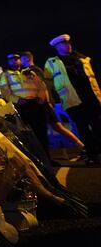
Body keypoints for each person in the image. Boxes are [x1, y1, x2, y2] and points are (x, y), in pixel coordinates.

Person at [43, 34, 101, 165]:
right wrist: (52, 100)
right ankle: (93, 155)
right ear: (57, 47)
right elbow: (48, 83)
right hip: (71, 101)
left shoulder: (83, 59)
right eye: (63, 44)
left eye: (68, 44)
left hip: (91, 98)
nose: (67, 46)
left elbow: (92, 78)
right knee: (83, 128)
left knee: (98, 126)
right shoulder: (52, 63)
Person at [20, 50, 85, 156]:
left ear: (27, 59)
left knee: (55, 127)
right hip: (44, 103)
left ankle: (81, 146)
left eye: (22, 59)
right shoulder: (35, 70)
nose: (20, 62)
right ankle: (81, 146)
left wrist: (48, 101)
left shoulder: (34, 70)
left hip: (44, 103)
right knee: (56, 127)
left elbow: (42, 86)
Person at [0, 53, 50, 159]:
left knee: (41, 132)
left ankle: (47, 158)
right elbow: (5, 92)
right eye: (12, 59)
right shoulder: (5, 75)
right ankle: (35, 159)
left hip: (36, 104)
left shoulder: (30, 72)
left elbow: (41, 86)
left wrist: (41, 98)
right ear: (8, 62)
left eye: (17, 59)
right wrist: (17, 100)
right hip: (21, 106)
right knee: (28, 134)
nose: (14, 61)